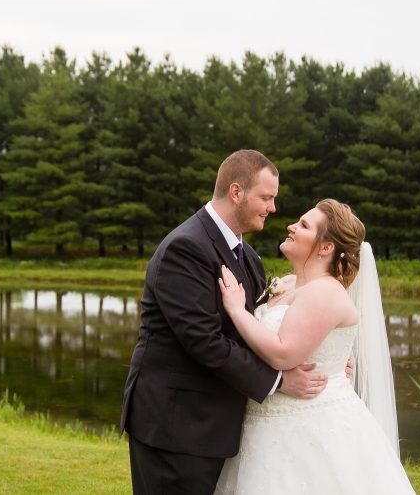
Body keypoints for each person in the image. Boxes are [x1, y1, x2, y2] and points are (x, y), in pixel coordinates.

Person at [120, 150, 332, 495]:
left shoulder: (248, 257)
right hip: (176, 426)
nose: (273, 208)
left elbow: (257, 329)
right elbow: (204, 341)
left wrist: (320, 357)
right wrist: (278, 381)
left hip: (215, 425)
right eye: (266, 197)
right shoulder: (185, 248)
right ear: (236, 192)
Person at [213, 199, 415, 494]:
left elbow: (282, 353)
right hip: (264, 421)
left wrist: (236, 310)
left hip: (310, 423)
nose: (291, 227)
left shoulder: (326, 292)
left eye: (304, 225)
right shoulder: (289, 284)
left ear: (326, 247)